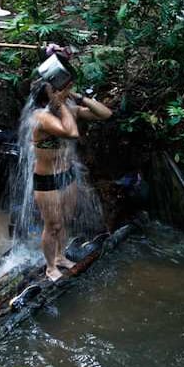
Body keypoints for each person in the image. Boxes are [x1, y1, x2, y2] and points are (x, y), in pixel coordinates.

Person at [31, 81, 112, 281]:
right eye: (58, 91)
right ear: (48, 96)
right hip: (47, 178)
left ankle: (60, 256)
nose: (63, 92)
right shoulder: (41, 116)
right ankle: (50, 267)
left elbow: (105, 114)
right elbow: (71, 132)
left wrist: (78, 97)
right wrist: (61, 106)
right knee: (52, 224)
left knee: (65, 219)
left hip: (66, 174)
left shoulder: (70, 110)